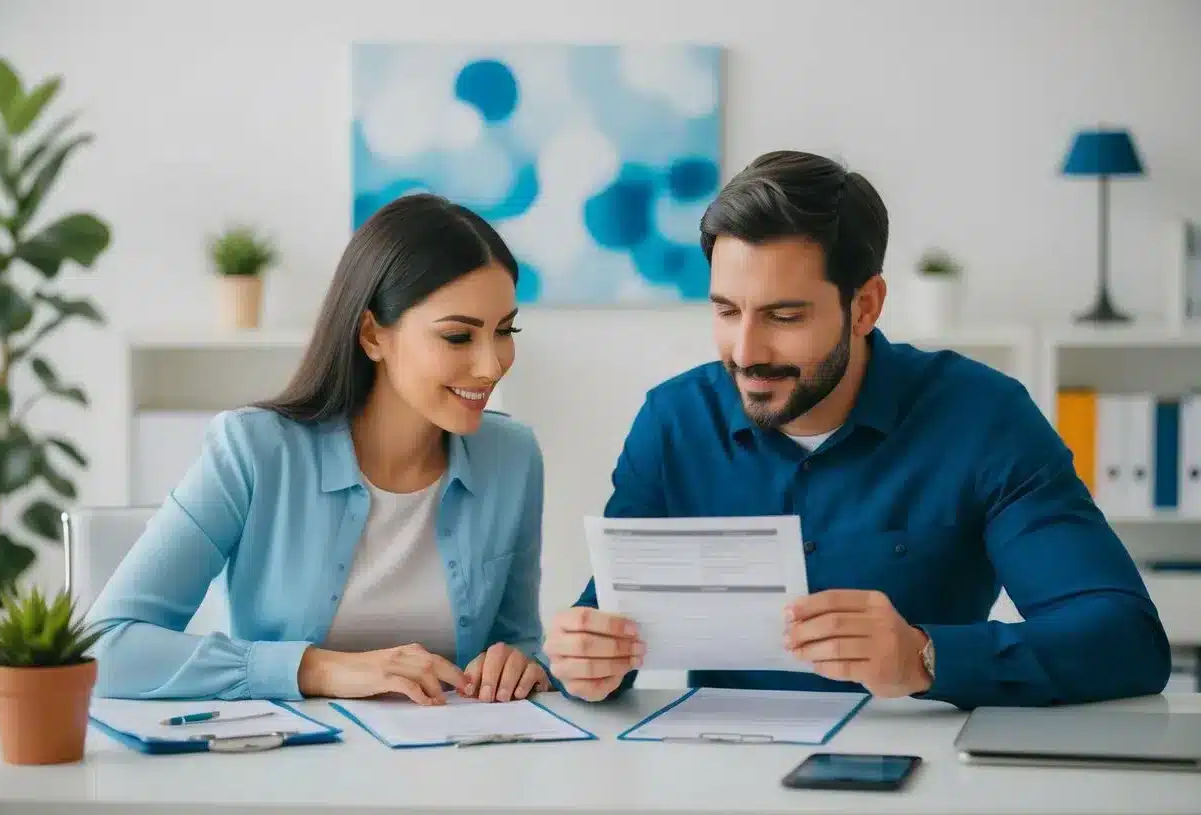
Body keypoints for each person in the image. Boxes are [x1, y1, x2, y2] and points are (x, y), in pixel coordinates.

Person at [543, 150, 1172, 710]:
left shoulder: (984, 418)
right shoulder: (674, 422)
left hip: (922, 783)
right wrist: (585, 659)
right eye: (726, 310)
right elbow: (607, 628)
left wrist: (925, 657)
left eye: (784, 316)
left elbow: (1125, 639)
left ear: (865, 305)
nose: (745, 350)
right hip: (720, 783)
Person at [89, 193, 548, 706]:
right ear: (373, 334)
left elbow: (522, 643)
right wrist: (317, 670)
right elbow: (105, 647)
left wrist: (522, 664)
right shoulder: (253, 451)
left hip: (454, 768)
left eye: (505, 331)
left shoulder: (514, 457)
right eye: (459, 337)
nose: (491, 365)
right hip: (287, 771)